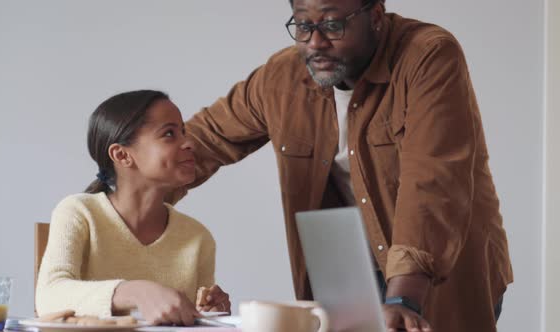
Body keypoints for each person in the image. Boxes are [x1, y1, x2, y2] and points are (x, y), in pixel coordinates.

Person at [168, 0, 513, 331]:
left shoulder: (428, 55)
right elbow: (204, 140)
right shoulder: (282, 78)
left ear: (375, 15)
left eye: (333, 25)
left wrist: (404, 301)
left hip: (436, 271)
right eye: (304, 25)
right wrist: (124, 195)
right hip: (351, 280)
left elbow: (432, 181)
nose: (316, 42)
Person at [36, 90, 230, 326]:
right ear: (122, 155)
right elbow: (48, 297)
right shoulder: (79, 212)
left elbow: (189, 321)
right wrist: (136, 292)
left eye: (184, 132)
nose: (188, 143)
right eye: (169, 134)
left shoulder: (198, 237)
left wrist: (210, 313)